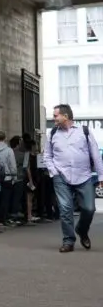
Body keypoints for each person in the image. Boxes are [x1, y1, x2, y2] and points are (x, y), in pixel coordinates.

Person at [44, 104, 103, 252]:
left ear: (65, 116)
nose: (53, 118)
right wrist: (54, 171)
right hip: (61, 176)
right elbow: (47, 155)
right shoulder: (52, 134)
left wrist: (101, 175)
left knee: (89, 208)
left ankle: (82, 230)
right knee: (65, 209)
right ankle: (68, 241)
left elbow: (95, 155)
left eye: (56, 115)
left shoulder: (84, 131)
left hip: (84, 176)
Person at [0, 131, 17, 225]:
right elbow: (12, 165)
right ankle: (3, 218)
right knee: (5, 199)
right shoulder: (9, 150)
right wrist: (14, 176)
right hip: (7, 177)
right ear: (5, 138)